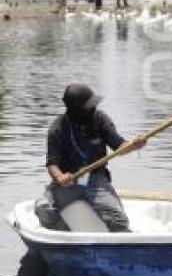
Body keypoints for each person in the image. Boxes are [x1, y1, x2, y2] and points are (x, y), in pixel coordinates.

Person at [35, 84, 146, 232]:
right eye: (89, 106)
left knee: (118, 219)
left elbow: (119, 146)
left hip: (96, 180)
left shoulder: (100, 119)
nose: (94, 108)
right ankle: (66, 235)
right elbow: (52, 164)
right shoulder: (57, 129)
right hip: (69, 180)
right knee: (43, 209)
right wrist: (61, 177)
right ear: (75, 110)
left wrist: (133, 145)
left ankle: (116, 244)